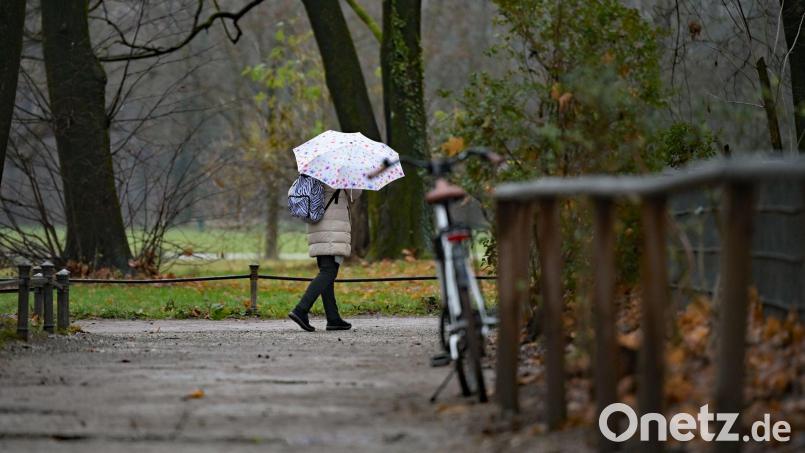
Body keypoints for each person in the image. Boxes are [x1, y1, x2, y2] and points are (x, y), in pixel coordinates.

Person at [288, 185, 359, 332]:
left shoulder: (316, 171)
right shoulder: (340, 173)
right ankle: (301, 310)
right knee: (328, 272)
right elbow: (355, 194)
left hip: (317, 225)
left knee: (327, 273)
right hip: (332, 229)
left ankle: (333, 318)